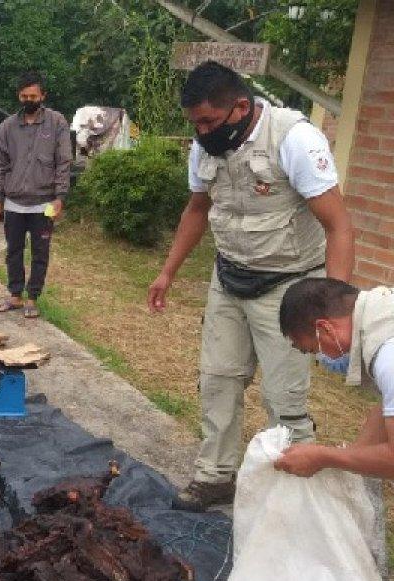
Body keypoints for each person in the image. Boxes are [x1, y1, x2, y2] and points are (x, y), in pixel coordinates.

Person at [146, 60, 355, 511]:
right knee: (217, 380)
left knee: (285, 396)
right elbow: (198, 209)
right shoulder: (204, 149)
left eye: (208, 121)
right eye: (194, 123)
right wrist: (168, 271)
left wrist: (334, 304)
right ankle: (216, 476)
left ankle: (297, 495)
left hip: (289, 285)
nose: (200, 132)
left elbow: (339, 226)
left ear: (241, 107)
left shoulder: (294, 140)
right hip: (229, 277)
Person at [276, 278, 394, 479]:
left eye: (313, 350)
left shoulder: (388, 359)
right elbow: (387, 407)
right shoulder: (383, 314)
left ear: (325, 329)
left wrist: (324, 457)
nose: (323, 359)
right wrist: (352, 457)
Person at [0, 71, 72, 319]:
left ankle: (33, 298)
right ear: (19, 96)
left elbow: (63, 162)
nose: (28, 100)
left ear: (43, 95)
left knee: (40, 253)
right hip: (14, 203)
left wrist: (60, 197)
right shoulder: (7, 127)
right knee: (13, 250)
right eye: (24, 95)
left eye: (33, 95)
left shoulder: (56, 123)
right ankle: (15, 295)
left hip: (44, 204)